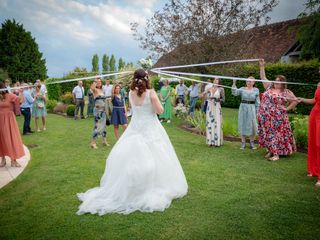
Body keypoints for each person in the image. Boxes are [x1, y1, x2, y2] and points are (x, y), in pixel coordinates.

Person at [77, 69, 188, 215]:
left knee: (132, 156)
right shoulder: (151, 93)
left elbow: (134, 109)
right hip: (150, 127)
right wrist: (156, 101)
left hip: (135, 128)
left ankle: (132, 187)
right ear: (147, 78)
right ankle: (153, 186)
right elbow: (160, 111)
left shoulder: (130, 93)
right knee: (158, 155)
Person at [257, 59, 298, 161]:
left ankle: (276, 155)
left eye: (279, 81)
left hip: (277, 118)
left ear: (283, 83)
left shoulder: (286, 92)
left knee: (274, 134)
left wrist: (287, 108)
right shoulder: (269, 87)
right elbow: (263, 77)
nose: (276, 82)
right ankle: (271, 151)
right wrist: (262, 66)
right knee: (269, 134)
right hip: (266, 117)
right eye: (276, 80)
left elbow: (295, 100)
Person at [297, 82, 320, 187]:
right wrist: (301, 99)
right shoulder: (319, 84)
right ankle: (314, 170)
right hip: (315, 115)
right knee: (314, 143)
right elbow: (315, 100)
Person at [0, 82, 24, 167]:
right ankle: (3, 159)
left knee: (10, 139)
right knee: (1, 139)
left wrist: (21, 92)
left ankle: (13, 160)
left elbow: (20, 100)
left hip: (9, 120)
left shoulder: (10, 95)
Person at [232, 77, 260, 149]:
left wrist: (257, 112)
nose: (249, 83)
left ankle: (252, 142)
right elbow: (234, 93)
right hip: (243, 108)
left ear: (254, 82)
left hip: (252, 108)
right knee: (243, 123)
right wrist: (234, 83)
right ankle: (243, 143)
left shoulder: (256, 90)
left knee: (252, 124)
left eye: (251, 82)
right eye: (247, 81)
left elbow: (257, 102)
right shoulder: (242, 89)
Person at [204, 78, 225, 147]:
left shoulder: (221, 89)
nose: (215, 81)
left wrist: (216, 99)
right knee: (210, 123)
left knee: (217, 122)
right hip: (210, 107)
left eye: (217, 79)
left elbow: (223, 100)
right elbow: (202, 96)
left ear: (219, 81)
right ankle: (210, 141)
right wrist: (205, 93)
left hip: (216, 107)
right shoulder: (209, 88)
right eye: (214, 79)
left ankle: (217, 141)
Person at [90, 78, 109, 149]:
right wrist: (95, 80)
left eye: (100, 81)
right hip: (98, 111)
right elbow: (92, 88)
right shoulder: (95, 90)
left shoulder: (102, 90)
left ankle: (104, 141)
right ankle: (93, 143)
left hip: (103, 110)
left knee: (103, 126)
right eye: (97, 82)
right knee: (97, 126)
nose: (99, 83)